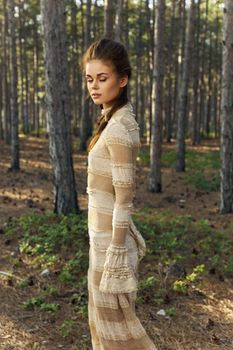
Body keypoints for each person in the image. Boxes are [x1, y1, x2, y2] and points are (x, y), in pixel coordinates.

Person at [81, 37, 157, 350]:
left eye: (103, 78)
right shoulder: (112, 120)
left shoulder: (120, 129)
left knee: (120, 335)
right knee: (103, 327)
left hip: (111, 247)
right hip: (101, 240)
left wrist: (114, 257)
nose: (94, 87)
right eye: (89, 79)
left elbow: (125, 198)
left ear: (122, 80)